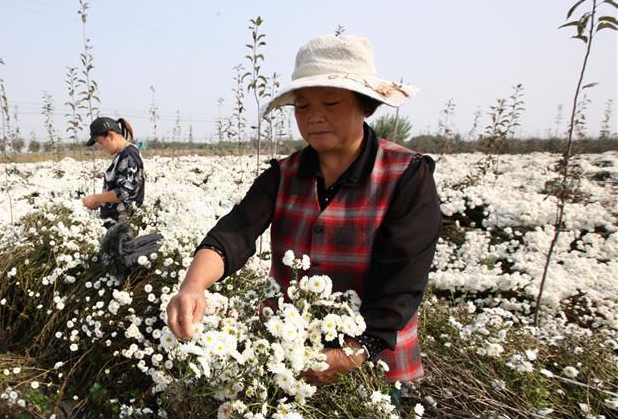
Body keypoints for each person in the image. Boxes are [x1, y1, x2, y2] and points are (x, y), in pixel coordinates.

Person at [166, 34, 442, 388]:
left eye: (330, 102)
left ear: (366, 106)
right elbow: (235, 232)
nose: (315, 117)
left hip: (375, 363)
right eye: (303, 106)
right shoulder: (283, 175)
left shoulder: (406, 176)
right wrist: (192, 286)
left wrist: (354, 351)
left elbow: (402, 281)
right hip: (289, 356)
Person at [81, 117, 145, 228]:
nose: (101, 147)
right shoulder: (123, 155)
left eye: (100, 142)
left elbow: (123, 192)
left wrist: (96, 198)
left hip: (122, 227)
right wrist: (100, 201)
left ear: (110, 135)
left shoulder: (129, 155)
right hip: (117, 226)